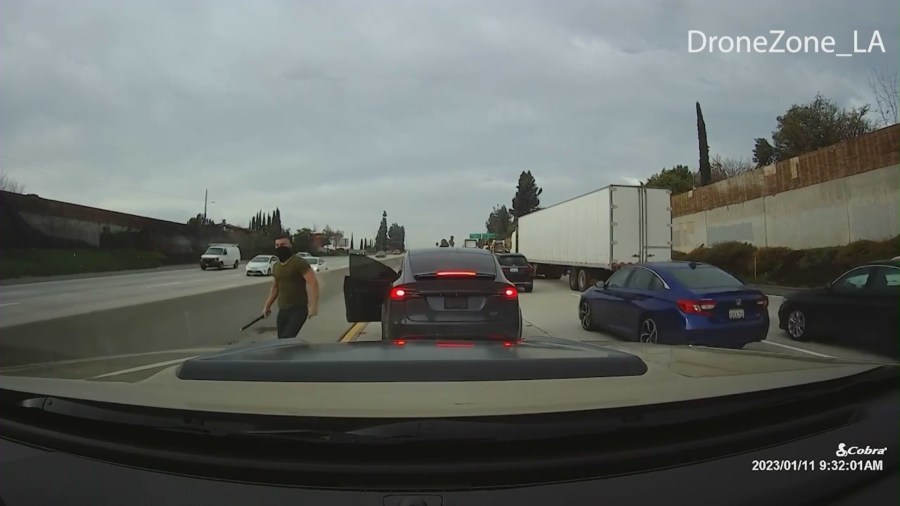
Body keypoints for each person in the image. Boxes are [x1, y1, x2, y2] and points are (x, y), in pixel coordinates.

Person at [262, 236, 320, 339]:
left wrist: (313, 306)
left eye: (283, 244)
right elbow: (275, 287)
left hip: (298, 309)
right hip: (283, 310)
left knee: (287, 337)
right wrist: (267, 306)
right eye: (277, 245)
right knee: (281, 340)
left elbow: (313, 283)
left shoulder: (298, 262)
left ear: (290, 246)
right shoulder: (276, 266)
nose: (280, 247)